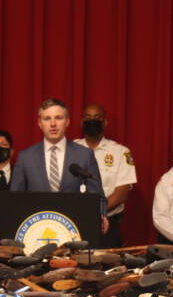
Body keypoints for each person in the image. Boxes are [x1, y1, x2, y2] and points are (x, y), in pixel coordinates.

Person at [10, 98, 108, 231]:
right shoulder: (25, 157)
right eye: (47, 118)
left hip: (75, 230)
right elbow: (14, 199)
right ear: (39, 123)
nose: (53, 124)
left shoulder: (85, 155)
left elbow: (98, 196)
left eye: (58, 118)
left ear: (67, 122)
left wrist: (102, 215)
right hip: (35, 231)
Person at [74, 104, 137, 248]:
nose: (92, 121)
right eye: (88, 117)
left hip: (107, 224)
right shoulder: (70, 149)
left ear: (105, 122)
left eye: (97, 118)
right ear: (81, 122)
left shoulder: (120, 152)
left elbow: (122, 192)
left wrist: (98, 211)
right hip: (75, 221)